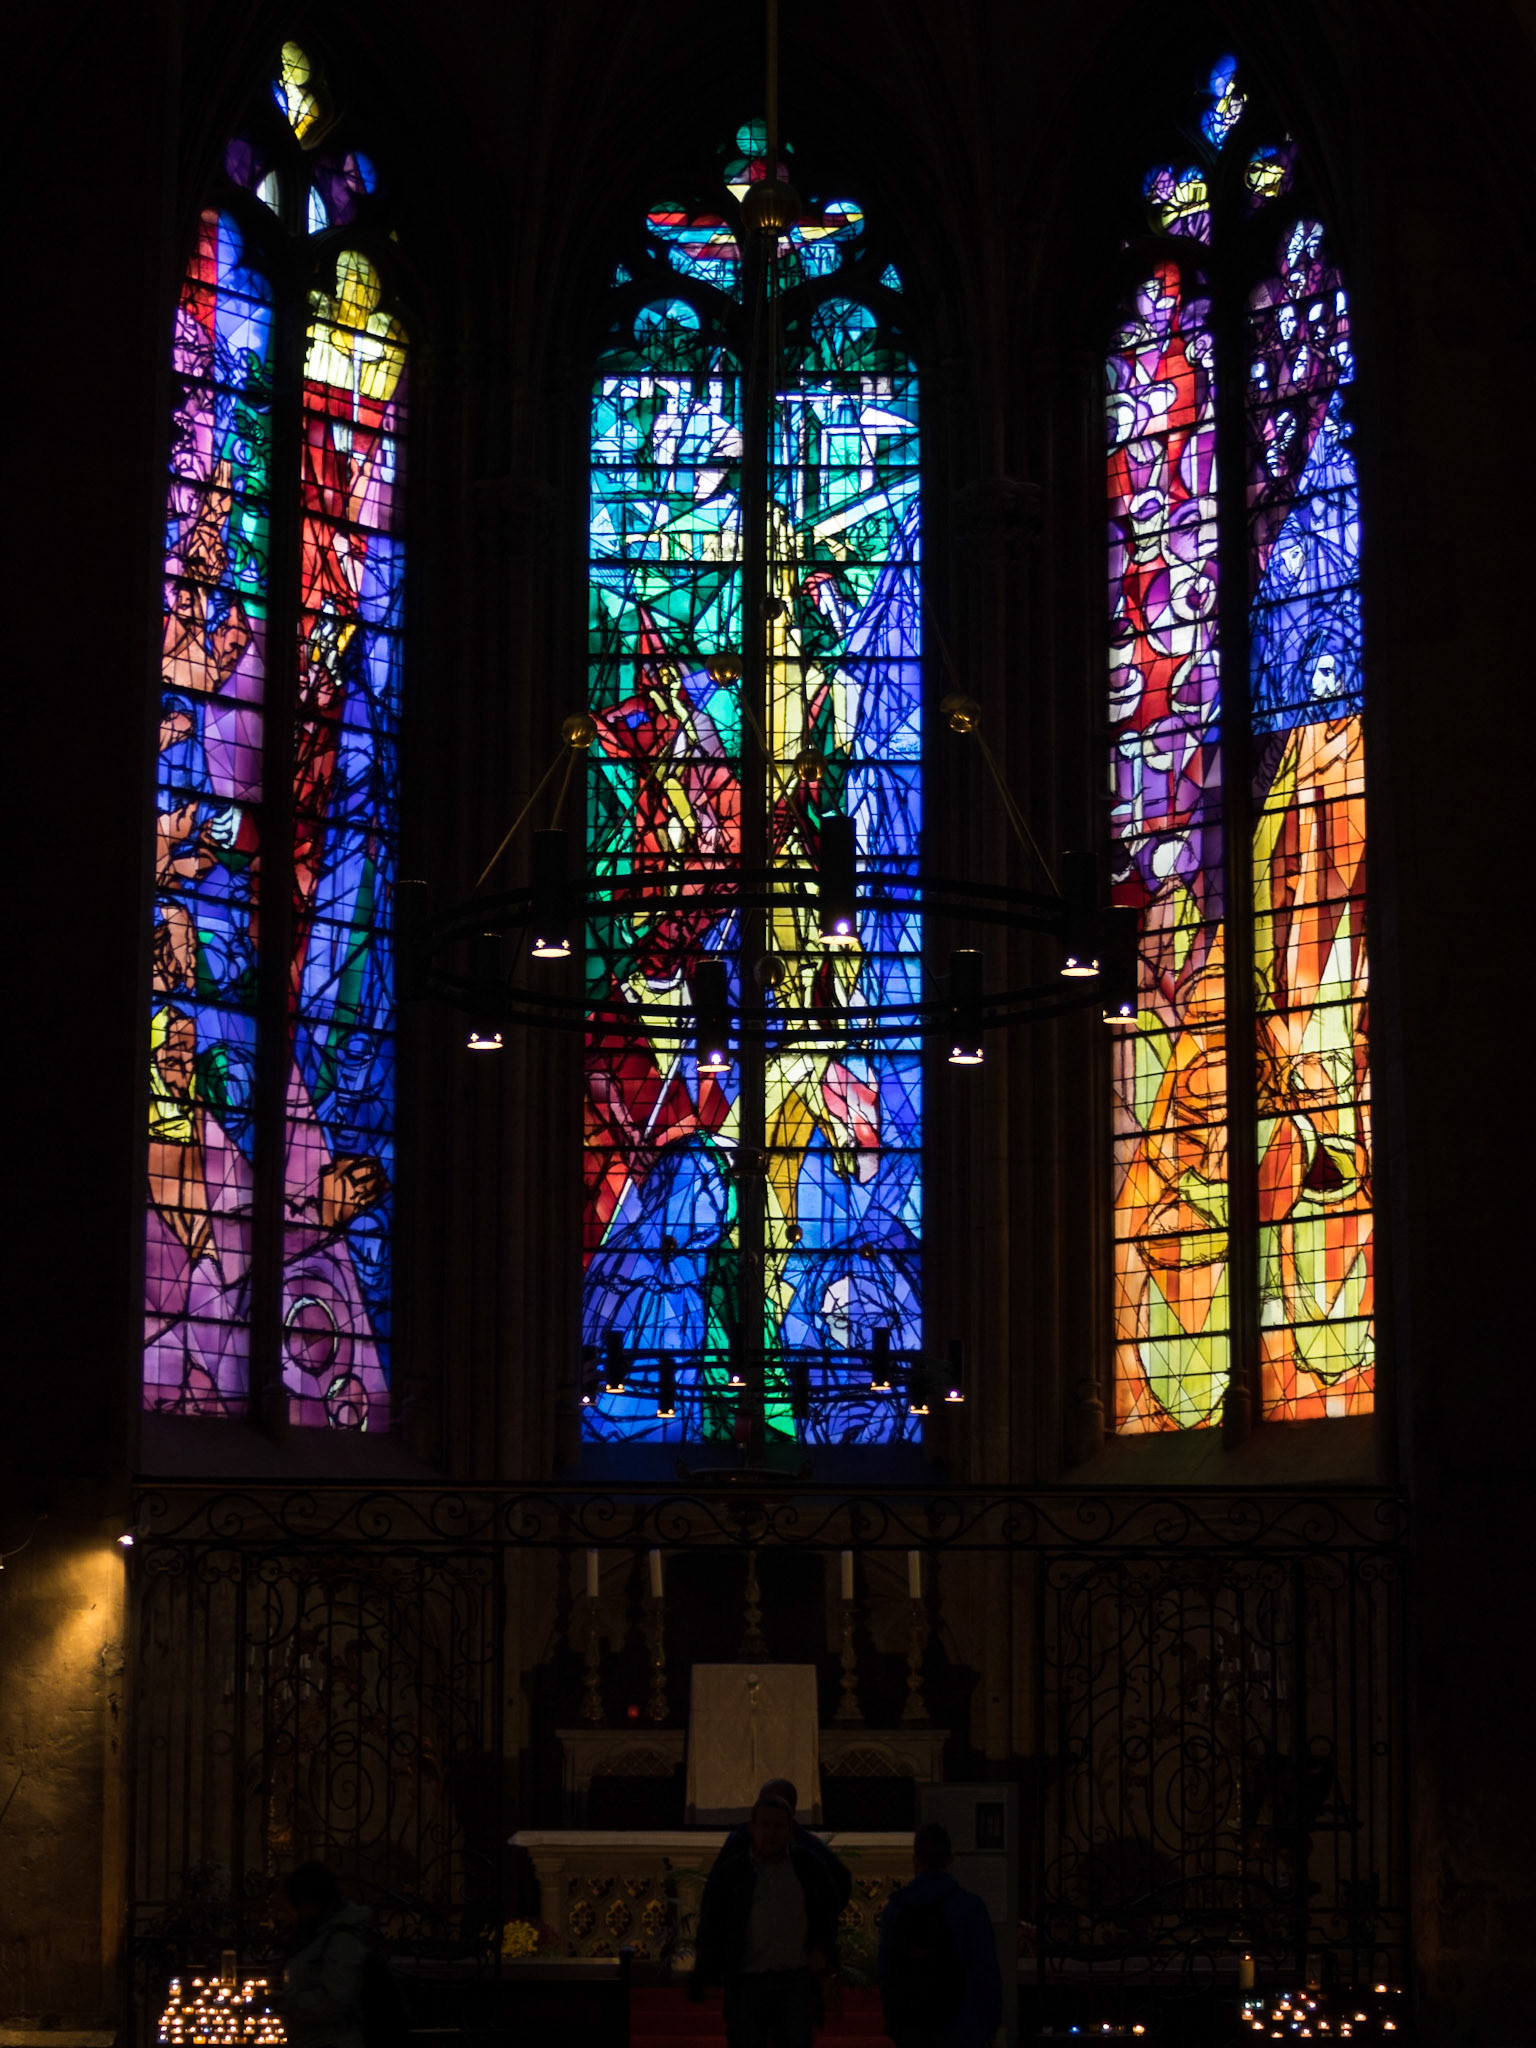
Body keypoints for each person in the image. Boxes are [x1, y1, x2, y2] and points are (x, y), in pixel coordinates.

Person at [693, 1795, 844, 2048]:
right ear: (753, 1828)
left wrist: (823, 1955)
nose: (771, 1833)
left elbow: (826, 1916)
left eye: (778, 1826)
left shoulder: (808, 1867)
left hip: (794, 1980)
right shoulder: (732, 1872)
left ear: (789, 1828)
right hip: (747, 1981)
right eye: (765, 1825)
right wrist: (707, 1975)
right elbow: (712, 1924)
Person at [878, 1824, 1003, 2048]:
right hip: (960, 2026)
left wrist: (896, 2025)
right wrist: (988, 2027)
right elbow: (986, 1973)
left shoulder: (895, 1910)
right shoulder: (970, 1907)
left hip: (912, 2026)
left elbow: (886, 1973)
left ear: (915, 1860)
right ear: (950, 1859)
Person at [709, 1778, 853, 1912]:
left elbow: (840, 1881)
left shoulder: (808, 1847)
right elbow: (717, 1887)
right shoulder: (740, 1838)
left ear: (791, 1810)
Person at [273, 1863, 373, 2048]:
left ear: (307, 1904)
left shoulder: (342, 1942)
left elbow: (334, 2002)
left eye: (286, 1907)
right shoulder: (316, 1937)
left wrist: (286, 2001)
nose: (282, 1916)